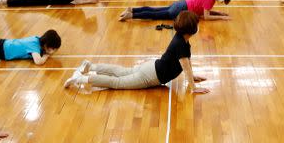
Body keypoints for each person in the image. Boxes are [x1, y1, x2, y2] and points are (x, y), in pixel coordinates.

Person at [63, 11, 209, 93]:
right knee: (118, 82)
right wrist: (193, 87)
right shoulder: (181, 43)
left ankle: (90, 67)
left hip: (151, 67)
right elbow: (184, 64)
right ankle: (80, 79)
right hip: (151, 76)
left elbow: (186, 63)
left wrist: (193, 76)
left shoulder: (182, 38)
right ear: (191, 28)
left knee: (121, 72)